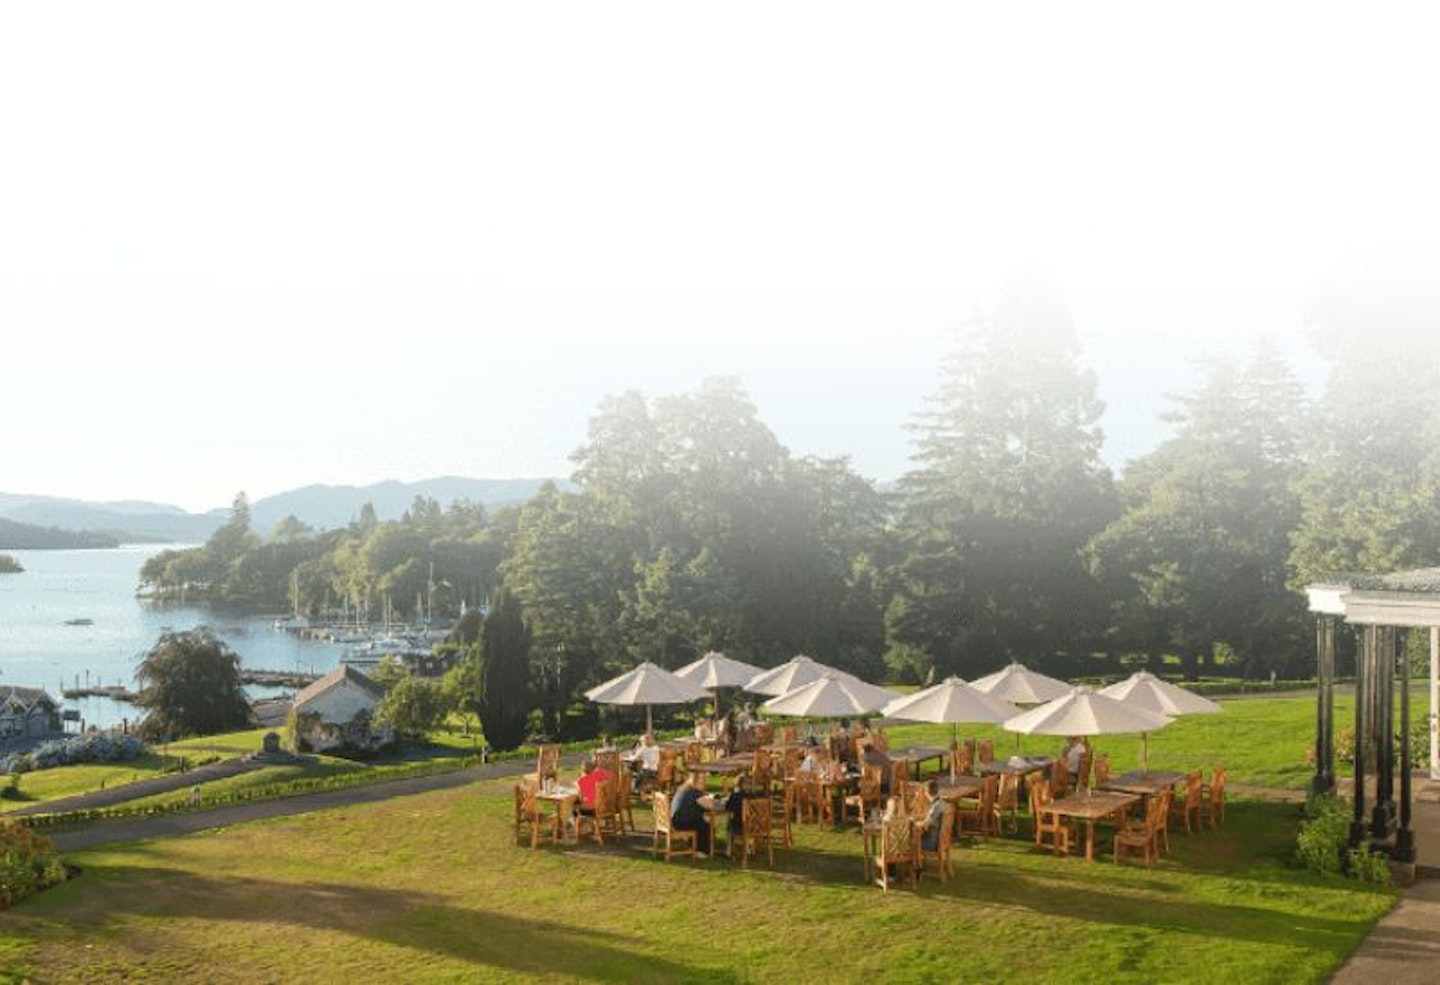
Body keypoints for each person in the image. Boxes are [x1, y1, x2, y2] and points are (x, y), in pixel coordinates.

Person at [670, 771, 719, 856]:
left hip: (675, 820)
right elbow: (710, 805)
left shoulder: (683, 789)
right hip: (681, 823)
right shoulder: (694, 792)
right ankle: (700, 850)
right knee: (705, 824)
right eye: (702, 781)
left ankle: (694, 846)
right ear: (695, 782)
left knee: (702, 819)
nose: (704, 784)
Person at [919, 779, 947, 853]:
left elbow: (926, 823)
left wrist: (913, 823)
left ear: (927, 792)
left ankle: (912, 862)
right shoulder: (941, 803)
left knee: (909, 841)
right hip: (940, 840)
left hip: (931, 843)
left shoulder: (935, 807)